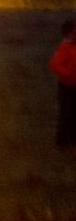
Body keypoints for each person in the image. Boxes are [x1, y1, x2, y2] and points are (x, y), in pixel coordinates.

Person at [49, 18, 76, 148]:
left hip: (73, 86)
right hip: (67, 87)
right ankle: (62, 141)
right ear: (69, 33)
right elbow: (54, 65)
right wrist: (69, 73)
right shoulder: (65, 48)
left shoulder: (72, 47)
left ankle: (72, 138)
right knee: (66, 113)